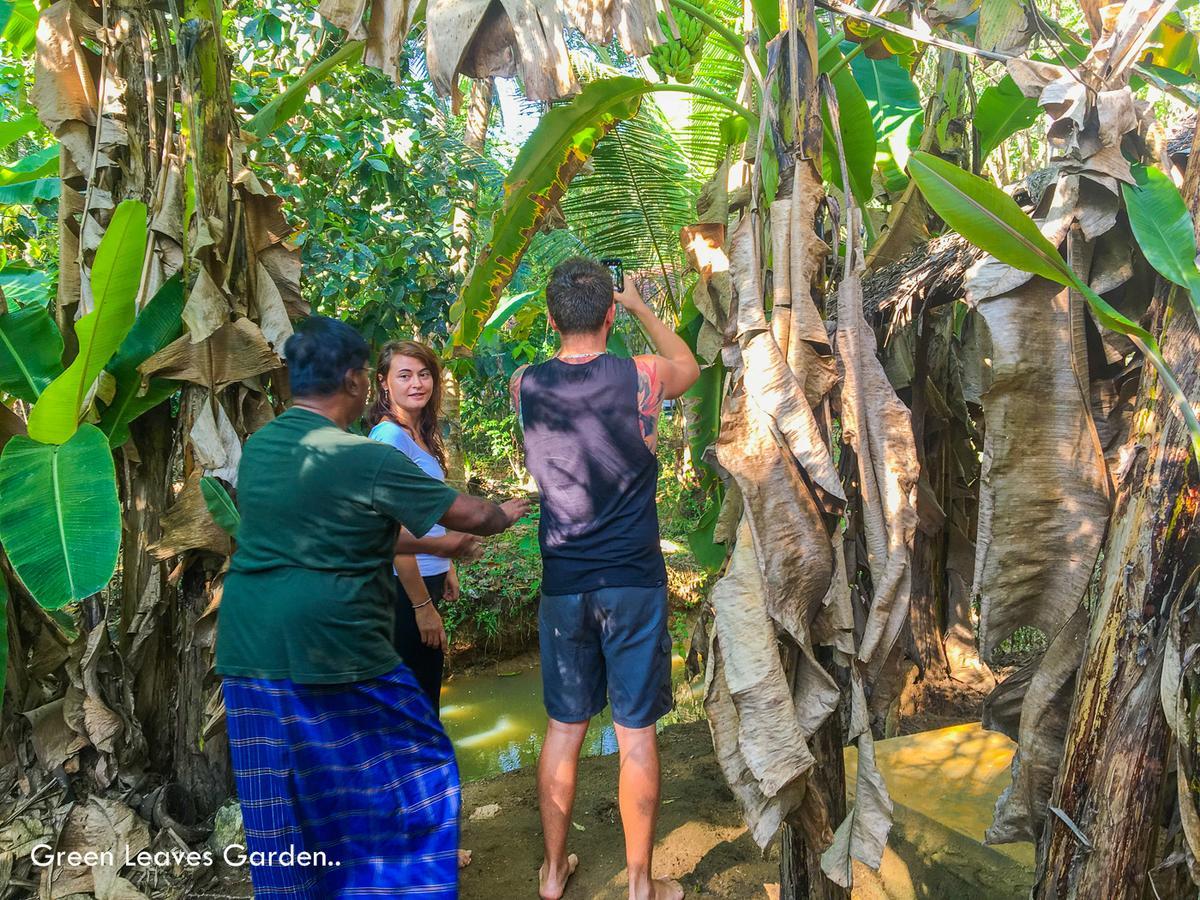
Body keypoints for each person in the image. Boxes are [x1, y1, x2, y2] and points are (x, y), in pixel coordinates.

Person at [215, 316, 527, 898]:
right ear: (360, 381)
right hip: (334, 643)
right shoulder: (365, 456)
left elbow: (346, 531)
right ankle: (395, 885)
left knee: (283, 796)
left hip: (248, 648)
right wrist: (502, 514)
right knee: (417, 763)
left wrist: (440, 548)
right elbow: (468, 513)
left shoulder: (262, 448)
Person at [510, 259, 701, 900]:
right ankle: (642, 884)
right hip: (632, 580)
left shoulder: (523, 383)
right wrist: (642, 304)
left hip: (564, 579)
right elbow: (690, 367)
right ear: (611, 314)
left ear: (550, 316)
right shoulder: (642, 377)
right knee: (635, 734)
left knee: (564, 728)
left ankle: (553, 872)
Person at [367, 339, 475, 870]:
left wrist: (446, 567)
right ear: (382, 382)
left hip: (425, 580)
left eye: (424, 375)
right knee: (415, 716)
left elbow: (427, 513)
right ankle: (419, 844)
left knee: (421, 707)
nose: (417, 384)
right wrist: (420, 606)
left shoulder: (417, 434)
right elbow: (392, 534)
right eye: (405, 375)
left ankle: (415, 835)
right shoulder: (387, 437)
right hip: (401, 592)